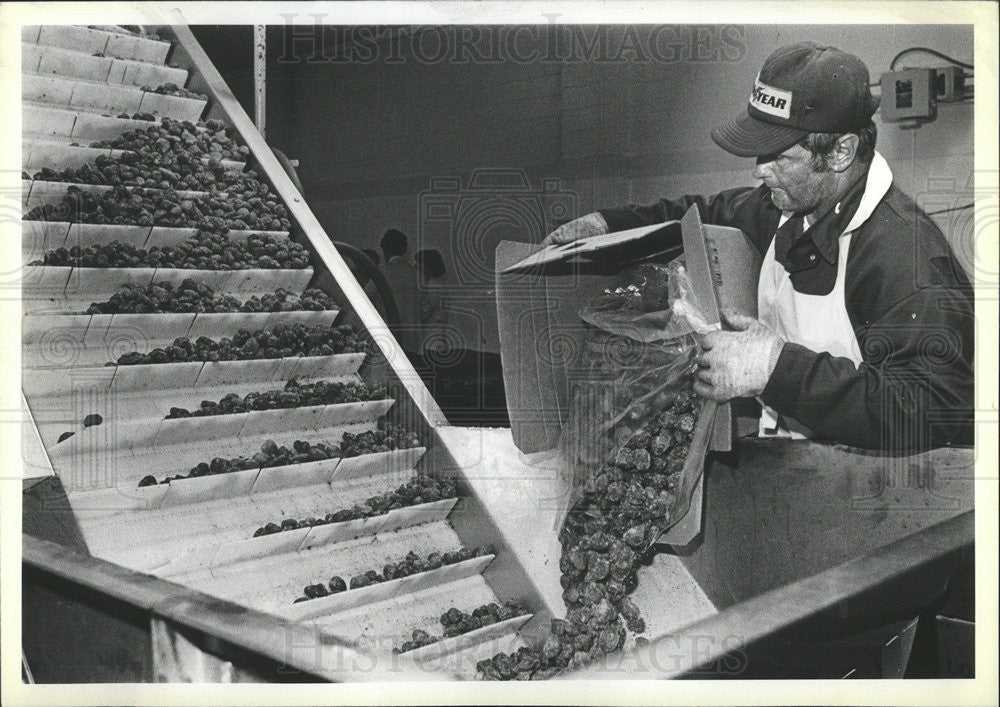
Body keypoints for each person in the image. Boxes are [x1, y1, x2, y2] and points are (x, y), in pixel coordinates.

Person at [542, 41, 973, 452]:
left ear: (841, 152)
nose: (759, 173)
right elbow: (700, 213)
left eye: (779, 157)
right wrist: (610, 224)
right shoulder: (787, 205)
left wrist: (776, 369)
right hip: (799, 465)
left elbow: (938, 406)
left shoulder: (903, 255)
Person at [378, 228, 423, 360]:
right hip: (413, 337)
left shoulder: (383, 271)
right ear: (404, 250)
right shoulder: (416, 274)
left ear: (384, 249)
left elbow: (366, 295)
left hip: (390, 335)